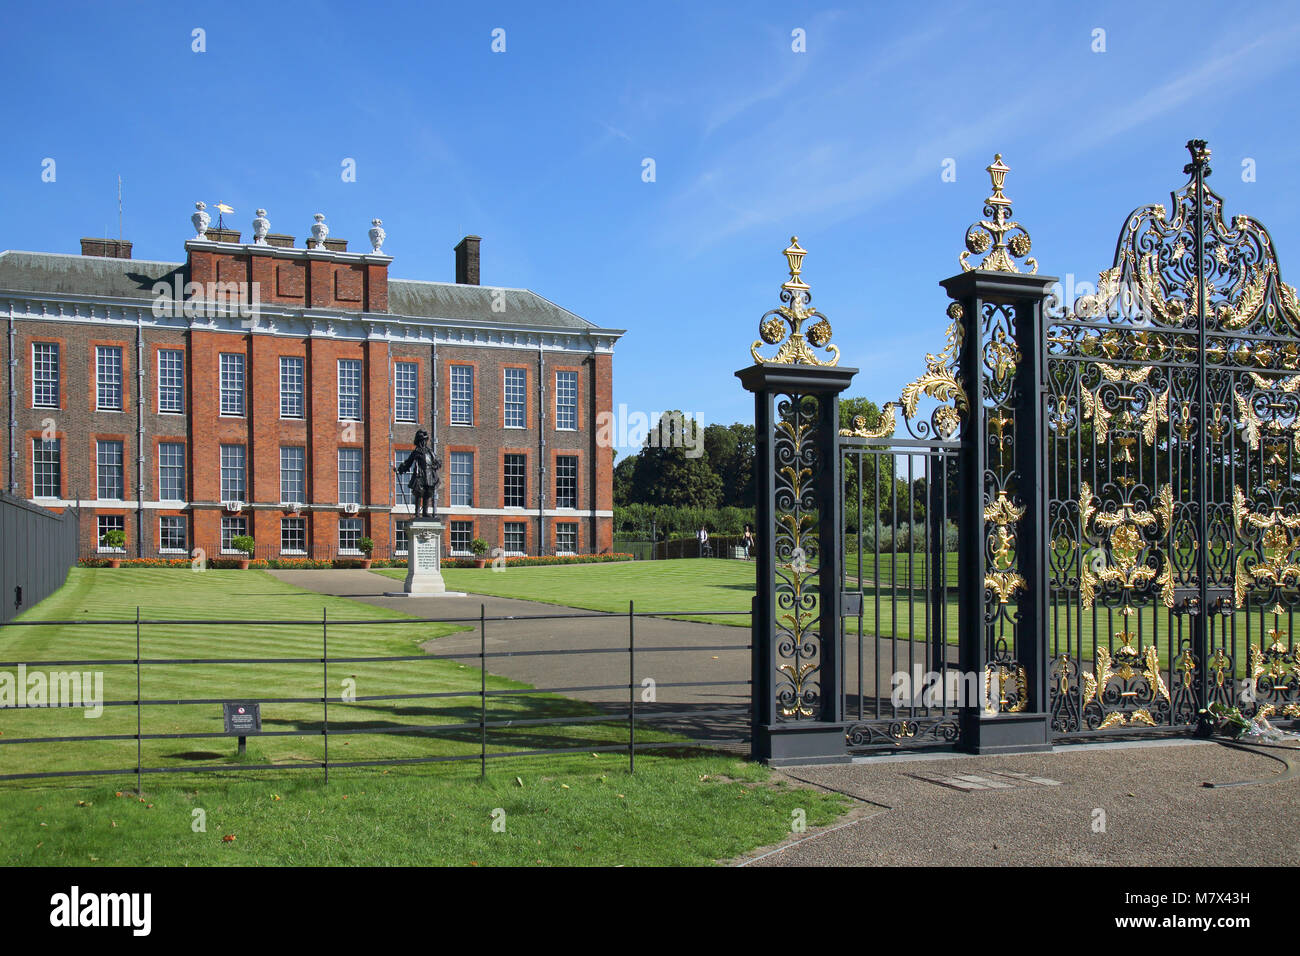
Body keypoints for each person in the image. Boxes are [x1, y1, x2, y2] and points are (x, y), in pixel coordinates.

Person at [395, 428, 441, 519]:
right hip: (420, 475)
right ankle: (417, 513)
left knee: (427, 493)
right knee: (419, 493)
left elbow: (438, 461)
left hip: (429, 475)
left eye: (424, 440)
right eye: (421, 441)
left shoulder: (430, 451)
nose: (423, 442)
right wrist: (401, 469)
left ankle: (425, 512)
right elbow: (408, 462)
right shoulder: (416, 452)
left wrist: (436, 465)